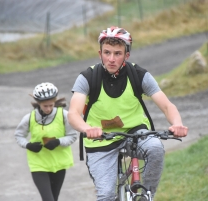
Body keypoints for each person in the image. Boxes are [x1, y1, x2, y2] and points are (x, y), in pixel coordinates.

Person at [68, 26, 188, 201]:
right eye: (107, 53)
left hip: (136, 133)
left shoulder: (139, 75)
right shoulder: (88, 77)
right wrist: (87, 129)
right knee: (106, 195)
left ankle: (146, 196)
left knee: (155, 148)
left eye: (117, 53)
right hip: (100, 140)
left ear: (127, 55)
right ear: (99, 53)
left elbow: (167, 106)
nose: (111, 59)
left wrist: (177, 123)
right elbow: (73, 113)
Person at [14, 82, 77, 201]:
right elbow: (19, 135)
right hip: (38, 164)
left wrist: (58, 142)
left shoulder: (64, 115)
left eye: (51, 105)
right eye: (45, 106)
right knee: (48, 199)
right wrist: (28, 145)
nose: (48, 109)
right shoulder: (29, 118)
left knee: (54, 198)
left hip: (59, 164)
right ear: (38, 104)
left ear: (55, 102)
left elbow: (72, 136)